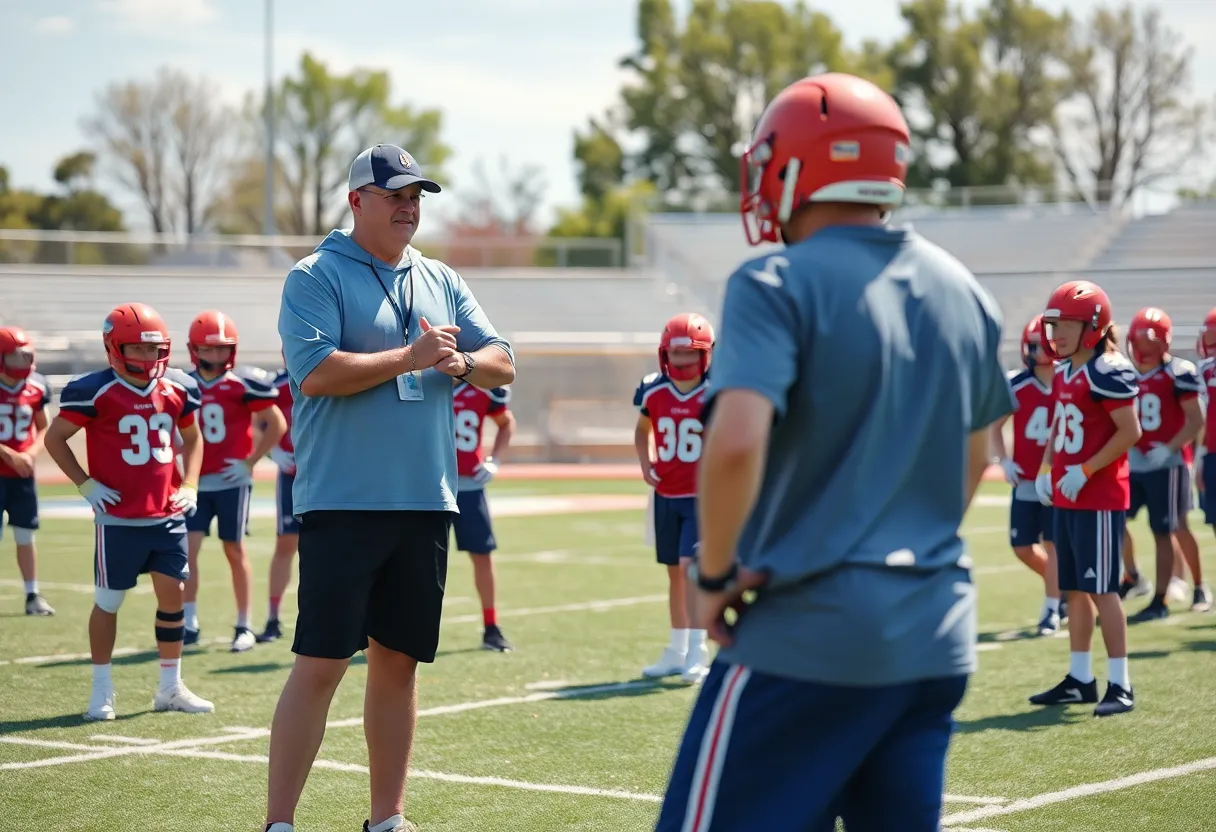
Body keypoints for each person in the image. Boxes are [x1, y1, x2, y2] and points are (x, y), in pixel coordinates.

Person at [654, 73, 1013, 832]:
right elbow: (978, 452)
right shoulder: (964, 291)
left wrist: (714, 573)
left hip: (810, 635)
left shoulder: (774, 281)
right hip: (935, 637)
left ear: (793, 166)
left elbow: (736, 441)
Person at [265, 143, 514, 832]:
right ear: (356, 202)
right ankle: (279, 822)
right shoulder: (314, 276)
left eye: (417, 196)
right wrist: (408, 357)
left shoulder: (442, 276)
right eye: (396, 194)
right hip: (342, 502)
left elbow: (504, 362)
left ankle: (386, 819)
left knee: (399, 665)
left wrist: (460, 362)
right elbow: (314, 372)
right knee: (320, 664)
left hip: (427, 499)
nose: (410, 206)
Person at [42, 302, 214, 720]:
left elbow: (194, 438)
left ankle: (170, 687)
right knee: (109, 600)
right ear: (114, 348)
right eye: (137, 349)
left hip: (167, 515)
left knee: (172, 597)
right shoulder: (92, 389)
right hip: (118, 519)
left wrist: (189, 483)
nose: (148, 358)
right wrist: (84, 482)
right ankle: (102, 690)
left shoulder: (177, 387)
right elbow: (55, 438)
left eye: (154, 350)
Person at [1030, 280, 1140, 717]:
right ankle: (1080, 678)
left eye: (1065, 325)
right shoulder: (1065, 370)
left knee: (1102, 591)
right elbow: (1059, 425)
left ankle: (1121, 684)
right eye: (1052, 324)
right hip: (1068, 493)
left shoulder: (1107, 369)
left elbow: (1130, 432)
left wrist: (1087, 469)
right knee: (1074, 588)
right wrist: (1046, 468)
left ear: (1093, 325)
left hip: (1098, 496)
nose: (1054, 334)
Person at [183, 310, 287, 652]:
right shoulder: (182, 385)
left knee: (234, 548)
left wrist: (251, 463)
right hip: (195, 482)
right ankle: (189, 620)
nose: (216, 356)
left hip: (232, 482)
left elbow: (276, 424)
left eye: (223, 349)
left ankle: (243, 623)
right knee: (188, 550)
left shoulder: (244, 383)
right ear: (193, 350)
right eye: (209, 350)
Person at [633, 313, 713, 685]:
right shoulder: (653, 389)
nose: (682, 364)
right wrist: (646, 462)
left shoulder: (717, 391)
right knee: (673, 573)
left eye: (690, 356)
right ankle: (677, 649)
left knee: (688, 568)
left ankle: (699, 649)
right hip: (666, 493)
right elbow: (643, 429)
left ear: (706, 355)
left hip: (701, 496)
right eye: (676, 356)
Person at [1121, 307, 1207, 620]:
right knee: (1115, 521)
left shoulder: (1178, 372)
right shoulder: (1125, 374)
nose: (1142, 350)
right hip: (1134, 462)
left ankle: (1188, 590)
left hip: (1167, 463)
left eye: (1149, 343)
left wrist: (1170, 447)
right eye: (1138, 342)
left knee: (1169, 529)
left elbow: (1195, 420)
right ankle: (1132, 576)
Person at [989, 315, 1064, 634]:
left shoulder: (1068, 381)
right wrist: (1004, 460)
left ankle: (1051, 609)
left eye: (1040, 344)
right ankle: (1063, 591)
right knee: (1021, 547)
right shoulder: (1018, 384)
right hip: (1027, 479)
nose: (1036, 351)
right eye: (1032, 345)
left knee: (1053, 545)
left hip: (1057, 479)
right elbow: (994, 426)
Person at [451, 378, 516, 651]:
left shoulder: (483, 388)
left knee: (482, 555)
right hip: (428, 487)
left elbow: (506, 422)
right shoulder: (422, 384)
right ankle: (398, 629)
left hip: (468, 485)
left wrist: (495, 459)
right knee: (417, 558)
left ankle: (491, 626)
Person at [0, 326, 54, 616]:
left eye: (25, 357)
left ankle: (32, 594)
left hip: (21, 474)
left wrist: (28, 455)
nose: (21, 363)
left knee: (25, 535)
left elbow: (44, 429)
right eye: (14, 357)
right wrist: (7, 453)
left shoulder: (37, 386)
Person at [257, 354, 299, 643]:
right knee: (286, 544)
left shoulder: (332, 374)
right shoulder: (277, 386)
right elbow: (257, 418)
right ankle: (273, 617)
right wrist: (273, 451)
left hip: (329, 474)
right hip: (292, 474)